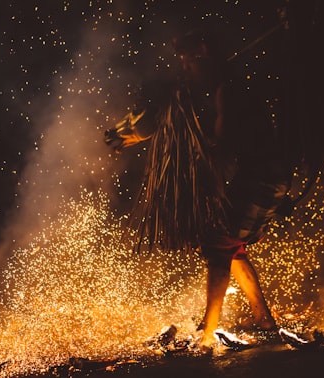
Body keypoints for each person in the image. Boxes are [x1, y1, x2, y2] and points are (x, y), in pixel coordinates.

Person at [105, 29, 292, 349]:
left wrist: (196, 158)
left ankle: (208, 334)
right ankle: (263, 320)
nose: (185, 71)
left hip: (264, 175)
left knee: (220, 243)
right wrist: (133, 134)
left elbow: (224, 144)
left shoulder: (228, 91)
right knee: (232, 246)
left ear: (204, 58)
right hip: (258, 175)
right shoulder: (218, 89)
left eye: (188, 64)